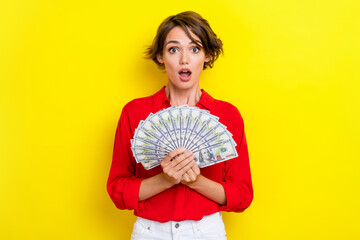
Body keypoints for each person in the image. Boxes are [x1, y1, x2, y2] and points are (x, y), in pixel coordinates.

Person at [107, 11, 253, 240]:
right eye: (173, 49)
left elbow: (242, 195)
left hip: (206, 232)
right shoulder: (134, 113)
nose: (184, 59)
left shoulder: (228, 115)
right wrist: (166, 179)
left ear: (206, 56)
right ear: (160, 57)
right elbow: (118, 190)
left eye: (194, 49)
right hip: (149, 232)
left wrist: (196, 181)